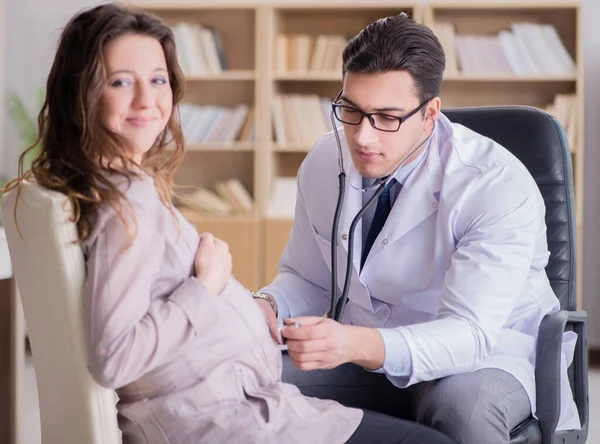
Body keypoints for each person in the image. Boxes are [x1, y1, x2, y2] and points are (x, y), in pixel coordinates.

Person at [3, 3, 461, 444]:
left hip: (233, 404)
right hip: (225, 420)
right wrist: (207, 284)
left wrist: (251, 305)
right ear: (81, 90)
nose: (147, 100)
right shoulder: (130, 198)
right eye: (122, 81)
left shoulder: (90, 183)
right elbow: (115, 356)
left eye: (158, 79)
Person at [253, 12, 581, 444]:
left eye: (387, 117)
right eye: (351, 110)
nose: (363, 138)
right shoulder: (324, 161)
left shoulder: (493, 183)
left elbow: (469, 334)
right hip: (364, 354)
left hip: (483, 358)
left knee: (464, 409)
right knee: (252, 385)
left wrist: (355, 343)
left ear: (430, 114)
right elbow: (309, 278)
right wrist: (268, 306)